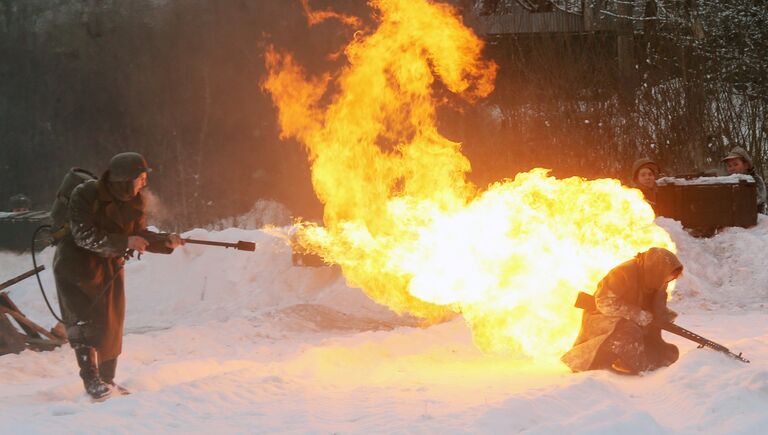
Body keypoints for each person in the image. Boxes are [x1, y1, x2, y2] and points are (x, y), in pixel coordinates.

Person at [53, 152, 184, 399]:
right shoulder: (85, 194)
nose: (144, 183)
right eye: (140, 178)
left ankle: (108, 380)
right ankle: (91, 379)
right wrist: (125, 241)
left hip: (108, 266)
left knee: (111, 323)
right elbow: (83, 236)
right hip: (75, 265)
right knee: (83, 321)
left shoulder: (135, 201)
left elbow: (139, 234)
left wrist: (164, 241)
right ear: (124, 179)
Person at [561, 247, 683, 375]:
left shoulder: (658, 279)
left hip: (635, 323)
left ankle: (630, 359)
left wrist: (664, 317)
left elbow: (658, 305)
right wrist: (636, 314)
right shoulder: (622, 272)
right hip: (605, 320)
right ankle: (618, 358)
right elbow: (604, 302)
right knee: (630, 333)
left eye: (670, 279)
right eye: (667, 278)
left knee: (666, 354)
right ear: (658, 270)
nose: (668, 281)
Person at [722, 146, 767, 214]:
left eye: (735, 164)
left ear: (746, 165)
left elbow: (757, 200)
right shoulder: (726, 181)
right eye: (729, 166)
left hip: (755, 219)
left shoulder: (755, 181)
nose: (732, 168)